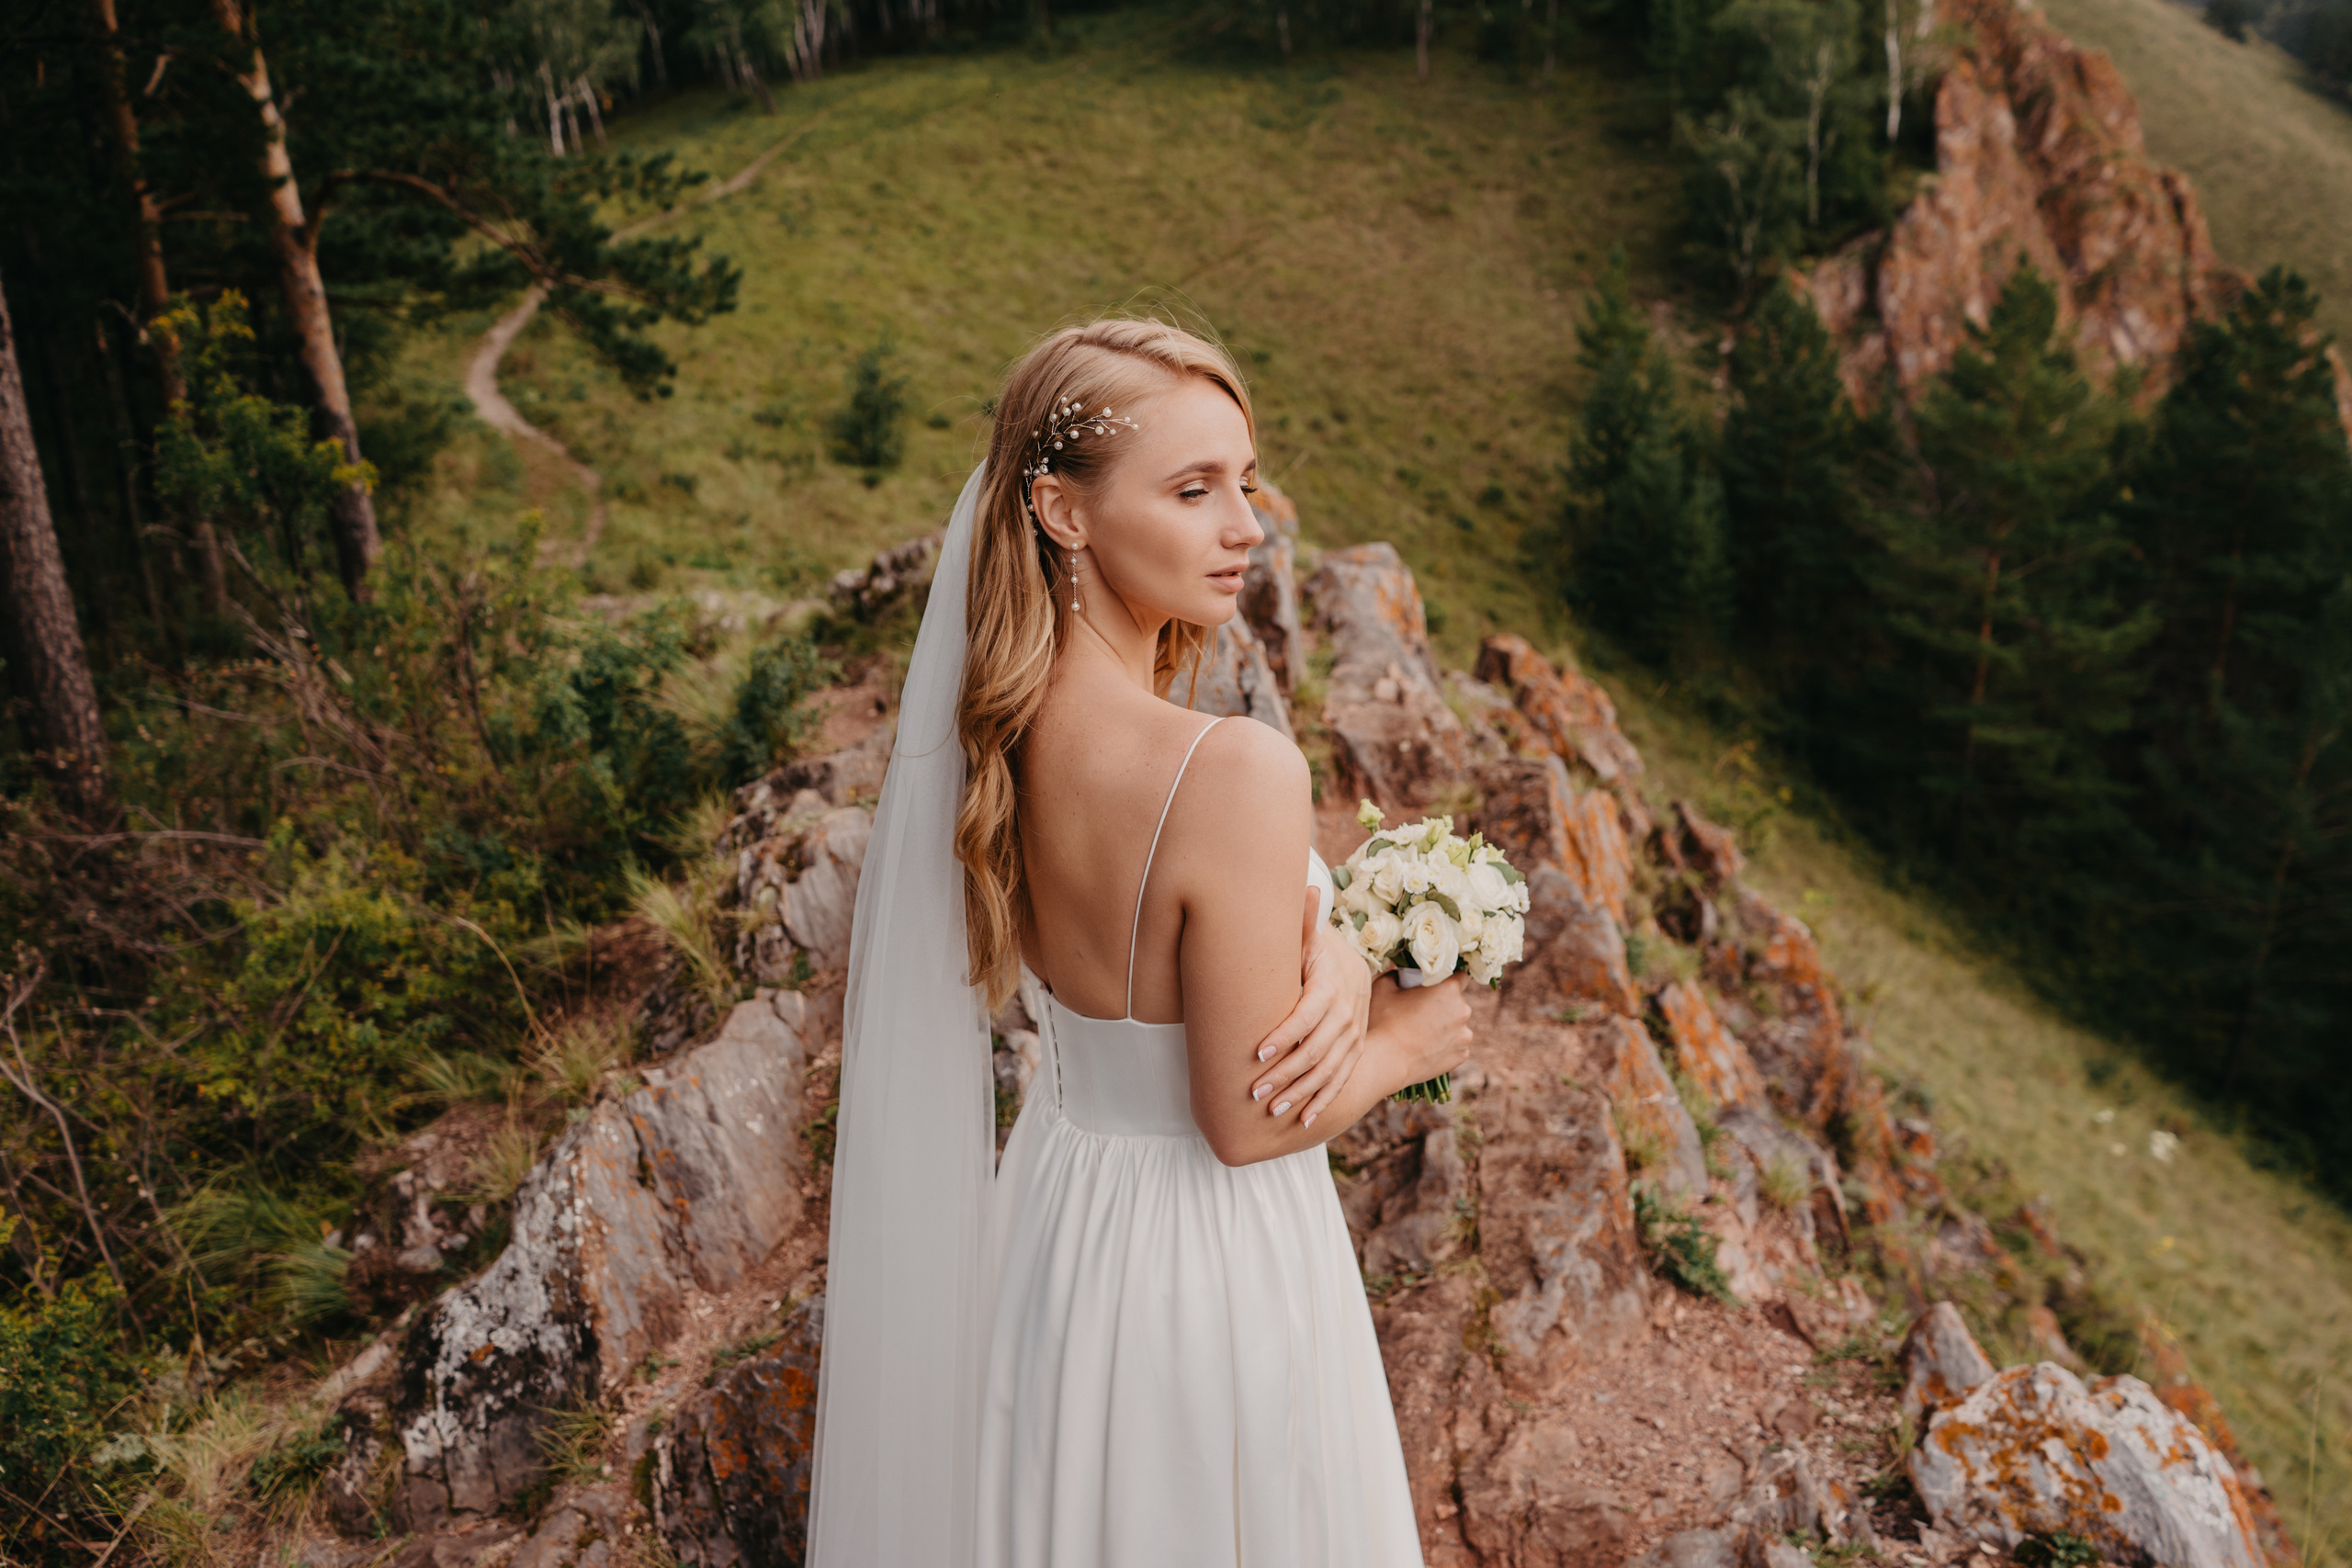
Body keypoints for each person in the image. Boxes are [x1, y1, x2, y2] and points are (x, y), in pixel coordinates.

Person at [808, 317, 1474, 1567]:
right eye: (1193, 490)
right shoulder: (1231, 767)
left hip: (1061, 1230)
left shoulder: (998, 745)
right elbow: (1243, 1121)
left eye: (1247, 483)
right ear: (1063, 511)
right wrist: (1409, 1040)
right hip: (1207, 1266)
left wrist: (1335, 946)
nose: (1248, 528)